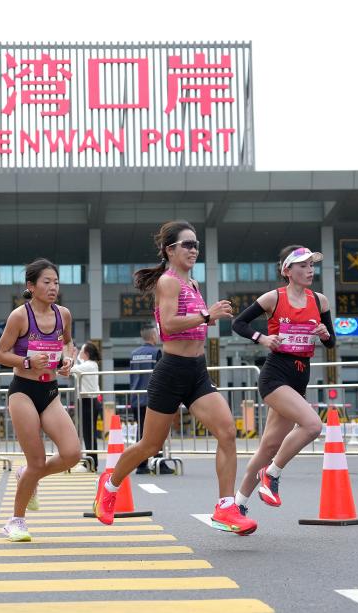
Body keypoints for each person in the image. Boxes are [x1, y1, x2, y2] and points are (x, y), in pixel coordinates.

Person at [93, 221, 256, 535]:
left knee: (227, 432)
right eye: (188, 244)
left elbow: (191, 322)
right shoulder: (168, 283)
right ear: (170, 250)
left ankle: (226, 508)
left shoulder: (193, 283)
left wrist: (206, 318)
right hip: (171, 371)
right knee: (150, 445)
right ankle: (110, 485)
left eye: (196, 245)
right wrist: (207, 315)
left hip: (197, 371)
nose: (194, 250)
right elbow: (167, 325)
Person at [230, 245, 336, 516]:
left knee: (268, 447)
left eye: (312, 265)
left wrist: (324, 334)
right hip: (276, 375)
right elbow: (238, 323)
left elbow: (331, 342)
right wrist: (262, 338)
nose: (310, 270)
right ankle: (272, 474)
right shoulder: (273, 298)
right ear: (287, 270)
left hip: (300, 376)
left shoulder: (320, 301)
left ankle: (237, 505)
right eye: (303, 265)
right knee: (313, 425)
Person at [0, 258, 81, 542]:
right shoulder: (20, 316)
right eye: (47, 282)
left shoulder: (63, 314)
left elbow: (68, 343)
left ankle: (28, 476)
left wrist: (68, 360)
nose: (53, 287)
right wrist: (27, 362)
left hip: (50, 392)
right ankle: (15, 521)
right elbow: (0, 354)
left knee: (72, 454)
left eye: (56, 282)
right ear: (31, 286)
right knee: (37, 460)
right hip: (23, 391)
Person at [129, 325, 172, 475]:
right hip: (153, 398)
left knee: (141, 432)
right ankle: (159, 463)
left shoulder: (134, 354)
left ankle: (141, 465)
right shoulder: (156, 353)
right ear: (153, 336)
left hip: (136, 398)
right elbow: (163, 376)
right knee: (157, 432)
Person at [71, 342, 102, 472]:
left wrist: (73, 357)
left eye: (81, 351)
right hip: (88, 401)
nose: (80, 353)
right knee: (88, 433)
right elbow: (76, 371)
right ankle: (91, 462)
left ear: (87, 353)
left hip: (88, 401)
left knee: (89, 433)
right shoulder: (90, 365)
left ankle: (91, 463)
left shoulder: (89, 365)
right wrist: (75, 357)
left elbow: (72, 369)